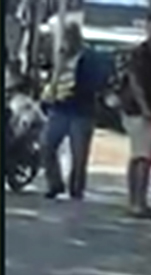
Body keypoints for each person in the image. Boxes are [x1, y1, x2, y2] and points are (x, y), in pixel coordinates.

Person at [40, 22, 99, 201]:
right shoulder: (61, 57)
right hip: (60, 108)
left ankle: (76, 188)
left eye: (70, 36)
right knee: (47, 145)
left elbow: (92, 82)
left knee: (79, 154)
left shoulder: (87, 57)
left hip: (81, 111)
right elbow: (54, 78)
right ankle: (55, 183)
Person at [119, 11, 151, 220]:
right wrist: (146, 108)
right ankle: (138, 202)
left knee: (139, 156)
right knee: (143, 157)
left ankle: (136, 201)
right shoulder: (142, 53)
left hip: (143, 111)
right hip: (139, 112)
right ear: (148, 28)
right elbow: (135, 82)